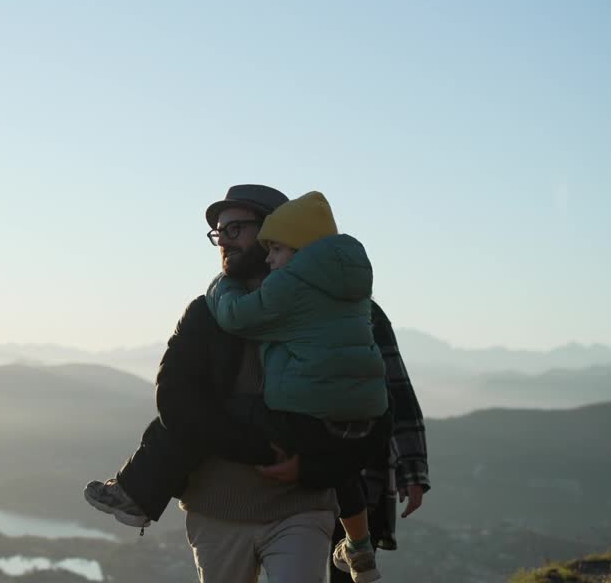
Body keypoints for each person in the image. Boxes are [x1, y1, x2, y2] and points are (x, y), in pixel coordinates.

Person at [85, 184, 391, 583]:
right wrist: (263, 452)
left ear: (272, 236)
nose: (223, 242)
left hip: (302, 509)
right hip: (216, 512)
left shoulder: (340, 311)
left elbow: (374, 418)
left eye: (235, 229)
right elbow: (174, 403)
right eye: (218, 233)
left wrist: (310, 469)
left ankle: (136, 491)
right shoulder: (206, 313)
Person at [203, 190, 389, 582]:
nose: (270, 258)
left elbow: (236, 316)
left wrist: (220, 286)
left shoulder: (286, 287)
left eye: (274, 247)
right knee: (343, 466)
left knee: (231, 408)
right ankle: (360, 546)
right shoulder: (355, 294)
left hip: (301, 476)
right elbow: (387, 404)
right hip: (358, 419)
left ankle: (138, 491)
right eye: (219, 233)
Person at [329, 300, 431, 583]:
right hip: (342, 480)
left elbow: (395, 387)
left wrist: (412, 468)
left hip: (357, 481)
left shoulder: (362, 310)